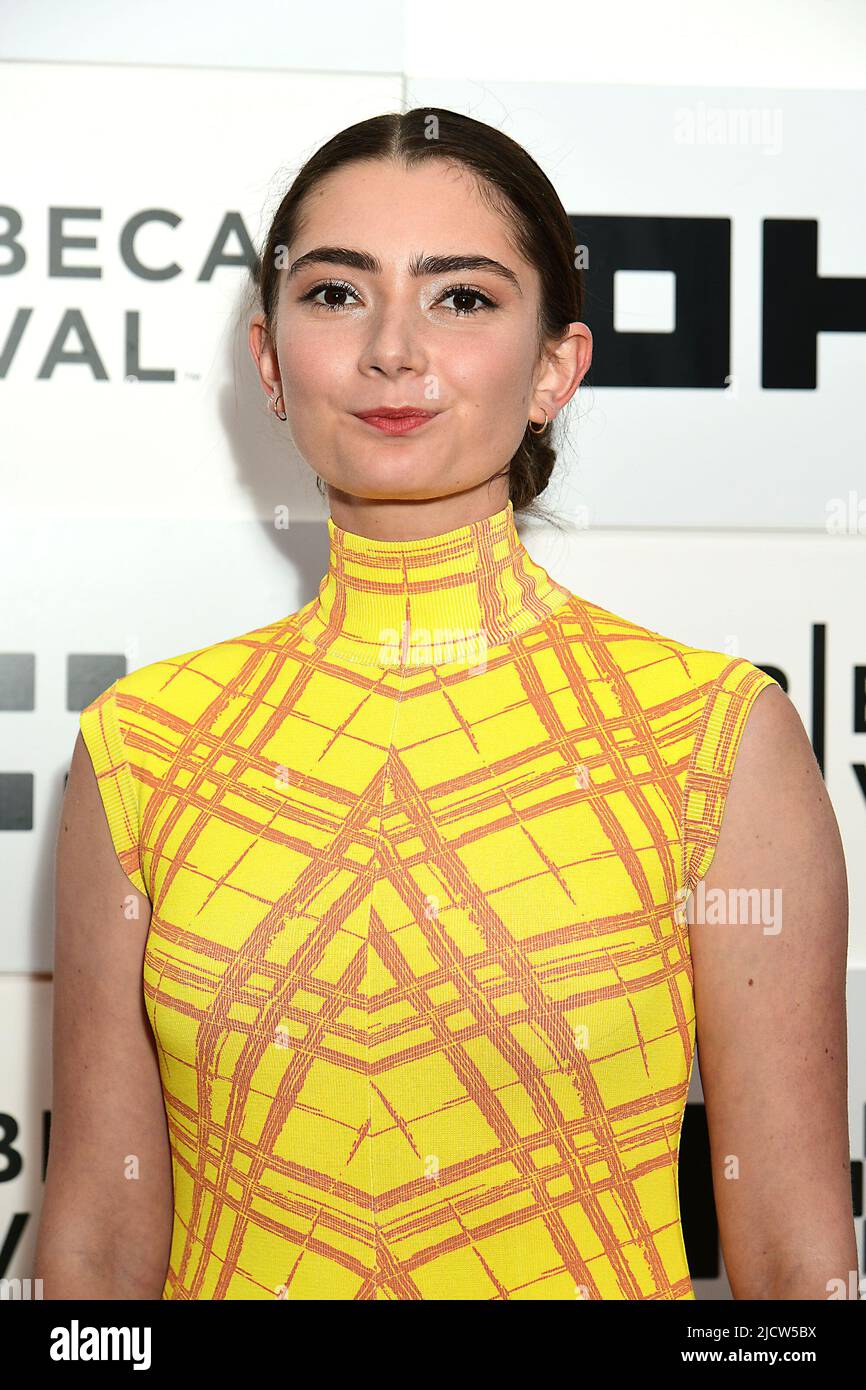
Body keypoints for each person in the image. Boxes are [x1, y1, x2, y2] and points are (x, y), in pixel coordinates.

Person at [37, 107, 856, 1301]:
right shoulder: (144, 747)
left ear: (555, 366)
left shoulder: (710, 739)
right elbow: (95, 1261)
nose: (390, 349)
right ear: (269, 363)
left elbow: (793, 1268)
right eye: (333, 293)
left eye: (460, 298)